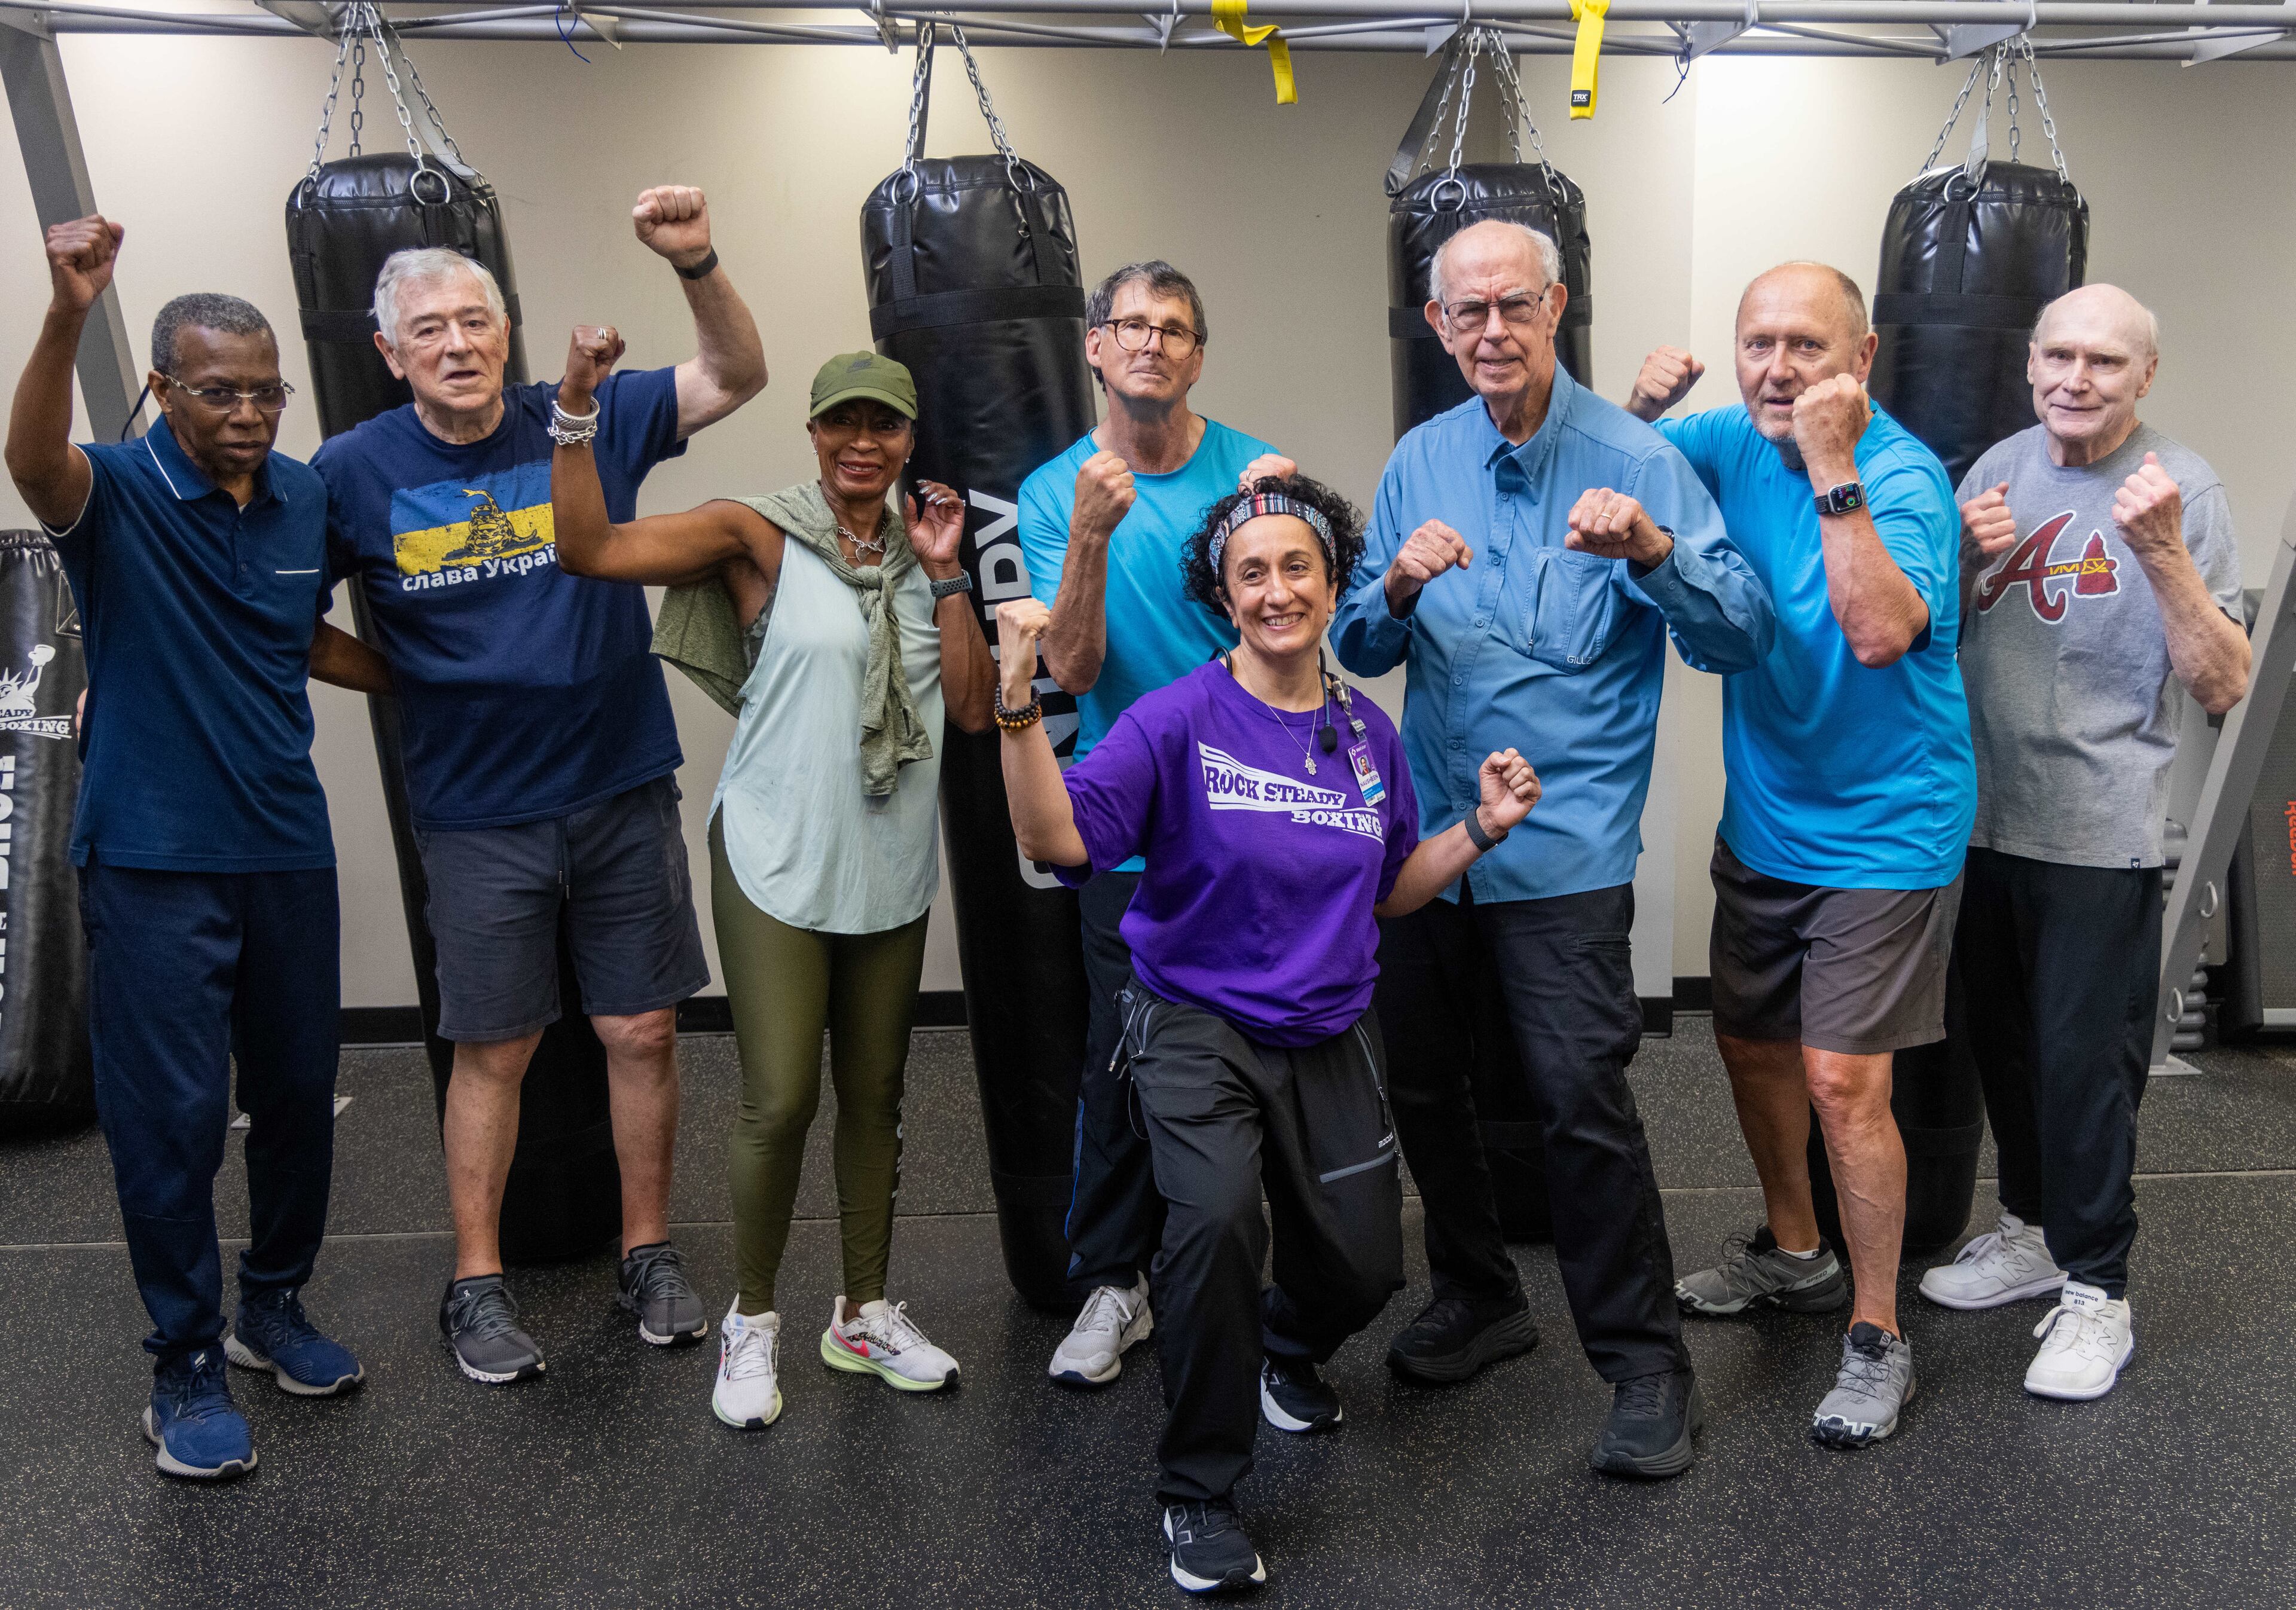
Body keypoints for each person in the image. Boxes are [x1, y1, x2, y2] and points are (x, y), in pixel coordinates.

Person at [995, 471, 1538, 1593]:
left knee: (1362, 1269)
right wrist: (1016, 701)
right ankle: (1198, 1490)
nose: (1278, 589)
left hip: (1328, 1026)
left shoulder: (1362, 732)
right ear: (1225, 596)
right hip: (1196, 1021)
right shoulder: (1177, 719)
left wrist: (1479, 829)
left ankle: (1280, 1349)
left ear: (1334, 584)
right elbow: (1056, 838)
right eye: (1254, 573)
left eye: (1299, 567)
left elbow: (1389, 891)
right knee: (1215, 1231)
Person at [1328, 218, 1772, 1478]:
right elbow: (1357, 647)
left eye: (1512, 306)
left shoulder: (1637, 458)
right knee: (1422, 1084)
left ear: (1558, 305)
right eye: (1464, 313)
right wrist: (1397, 589)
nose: (1489, 332)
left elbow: (1737, 635)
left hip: (1564, 856)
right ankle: (1478, 1294)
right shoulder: (1421, 460)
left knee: (1581, 1104)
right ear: (1438, 325)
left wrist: (1652, 550)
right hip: (1428, 847)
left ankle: (1643, 1369)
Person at [310, 187, 767, 1385]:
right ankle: (474, 1281)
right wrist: (404, 678)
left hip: (619, 784)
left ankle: (650, 1254)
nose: (457, 344)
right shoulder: (351, 470)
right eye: (429, 331)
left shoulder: (589, 418)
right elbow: (288, 621)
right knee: (497, 1050)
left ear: (505, 327)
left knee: (643, 1027)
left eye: (475, 321)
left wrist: (695, 261)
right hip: (476, 813)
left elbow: (735, 372)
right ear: (389, 353)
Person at [548, 332, 994, 1427]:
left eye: (882, 422)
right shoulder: (760, 534)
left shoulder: (928, 549)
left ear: (905, 439)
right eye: (841, 419)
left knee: (879, 1097)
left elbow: (976, 709)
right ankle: (752, 1321)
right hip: (774, 850)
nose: (861, 439)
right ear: (812, 432)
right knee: (783, 1094)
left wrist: (944, 573)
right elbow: (588, 548)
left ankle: (864, 1310)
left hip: (887, 862)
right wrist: (573, 412)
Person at [5, 217, 391, 1479]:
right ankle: (182, 1356)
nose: (249, 412)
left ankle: (271, 1306)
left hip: (284, 843)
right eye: (219, 390)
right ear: (164, 389)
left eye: (266, 390)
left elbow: (295, 634)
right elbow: (28, 455)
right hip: (154, 856)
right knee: (169, 1117)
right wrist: (67, 312)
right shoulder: (112, 490)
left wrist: (438, 681)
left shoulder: (305, 497)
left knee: (294, 1099)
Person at [1626, 262, 1976, 1448]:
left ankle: (1877, 1338)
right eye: (1758, 344)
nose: (1780, 370)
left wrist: (1836, 472)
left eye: (1808, 348)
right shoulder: (1726, 435)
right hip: (1768, 815)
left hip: (1889, 827)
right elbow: (1603, 478)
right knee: (1754, 1047)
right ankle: (1796, 1253)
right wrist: (1635, 411)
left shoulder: (1906, 479)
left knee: (1843, 1081)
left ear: (1862, 360)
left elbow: (1880, 634)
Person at [1918, 285, 2247, 1400]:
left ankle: (2098, 1290)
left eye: (2104, 362)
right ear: (2028, 361)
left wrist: (2161, 553)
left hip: (2098, 833)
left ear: (2144, 375)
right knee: (2001, 1046)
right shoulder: (1996, 467)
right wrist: (1959, 559)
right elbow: (1934, 633)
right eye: (2058, 355)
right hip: (1982, 819)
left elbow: (2223, 681)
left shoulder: (2182, 488)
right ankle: (2033, 1231)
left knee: (2084, 1072)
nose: (2076, 378)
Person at [1015, 260, 1282, 1388]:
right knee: (1123, 1056)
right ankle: (1115, 1282)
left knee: (1274, 1042)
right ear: (1094, 344)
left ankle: (1264, 1272)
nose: (1152, 344)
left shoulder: (1249, 468)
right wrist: (1084, 535)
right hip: (1130, 827)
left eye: (1175, 327)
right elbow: (1070, 668)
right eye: (1132, 325)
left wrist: (1282, 509)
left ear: (1198, 354)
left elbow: (1289, 627)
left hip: (1258, 814)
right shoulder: (1053, 490)